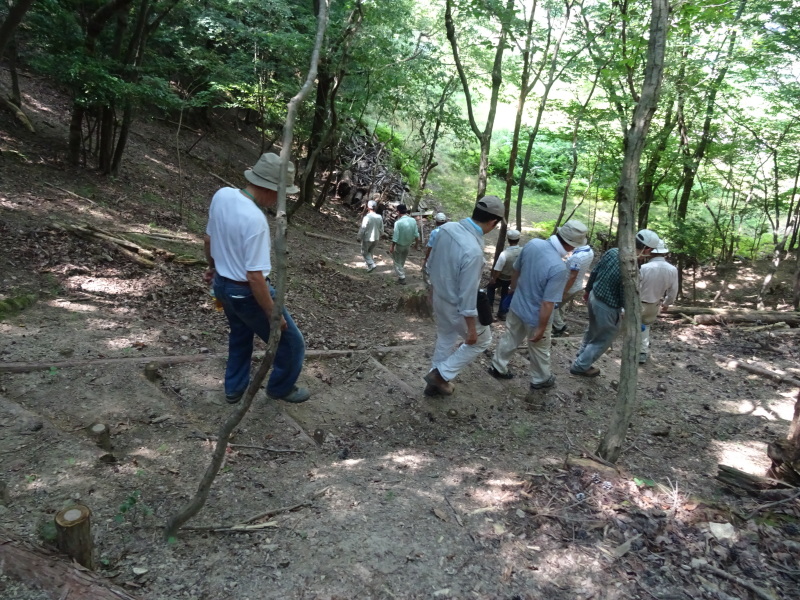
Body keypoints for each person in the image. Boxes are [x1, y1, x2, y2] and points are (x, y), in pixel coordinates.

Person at [204, 152, 310, 404]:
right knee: (293, 343)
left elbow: (208, 238)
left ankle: (234, 388)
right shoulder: (256, 221)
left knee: (240, 334)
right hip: (245, 293)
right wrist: (274, 314)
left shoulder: (222, 195)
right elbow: (255, 278)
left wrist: (212, 266)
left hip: (222, 285)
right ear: (273, 190)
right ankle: (280, 388)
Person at [489, 220, 588, 390]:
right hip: (535, 315)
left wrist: (513, 289)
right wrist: (542, 328)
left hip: (518, 304)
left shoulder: (533, 244)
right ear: (571, 246)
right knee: (540, 348)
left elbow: (517, 269)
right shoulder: (558, 268)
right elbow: (548, 303)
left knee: (510, 336)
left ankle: (498, 366)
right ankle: (540, 378)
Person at [424, 195, 505, 396]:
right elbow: (468, 293)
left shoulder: (446, 229)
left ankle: (433, 385)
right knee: (482, 341)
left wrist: (431, 292)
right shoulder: (473, 251)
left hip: (440, 298)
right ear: (493, 222)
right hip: (456, 306)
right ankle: (441, 375)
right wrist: (471, 328)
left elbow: (430, 263)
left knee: (446, 337)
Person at [570, 229, 660, 378]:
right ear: (648, 249)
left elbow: (595, 271)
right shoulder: (631, 268)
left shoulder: (613, 251)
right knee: (603, 339)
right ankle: (580, 366)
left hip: (594, 297)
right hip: (608, 308)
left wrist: (588, 290)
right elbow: (626, 295)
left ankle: (581, 355)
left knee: (592, 330)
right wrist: (629, 313)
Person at [639, 241, 678, 363]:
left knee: (626, 326)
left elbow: (635, 286)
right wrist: (666, 304)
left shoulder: (644, 268)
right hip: (654, 304)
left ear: (650, 253)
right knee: (645, 327)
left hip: (638, 302)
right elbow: (673, 291)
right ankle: (642, 352)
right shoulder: (672, 270)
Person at [552, 241, 595, 336]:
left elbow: (572, 276)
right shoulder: (589, 251)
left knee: (552, 306)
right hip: (577, 286)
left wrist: (564, 291)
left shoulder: (577, 257)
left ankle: (560, 326)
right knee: (560, 305)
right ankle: (557, 322)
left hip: (569, 286)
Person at [486, 228, 522, 321]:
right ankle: (502, 312)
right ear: (518, 239)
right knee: (505, 294)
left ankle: (489, 310)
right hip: (512, 278)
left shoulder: (504, 254)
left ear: (508, 240)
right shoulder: (522, 251)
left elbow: (498, 269)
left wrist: (493, 279)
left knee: (490, 288)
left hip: (502, 277)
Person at [389, 204, 420, 284]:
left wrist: (392, 246)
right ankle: (401, 273)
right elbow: (416, 234)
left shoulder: (398, 223)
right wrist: (416, 244)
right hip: (408, 245)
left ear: (398, 212)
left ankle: (401, 277)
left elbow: (395, 236)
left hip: (399, 245)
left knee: (396, 261)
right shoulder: (413, 220)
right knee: (402, 260)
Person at [357, 198, 383, 272]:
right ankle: (368, 266)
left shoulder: (367, 217)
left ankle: (371, 264)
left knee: (364, 252)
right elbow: (382, 228)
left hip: (367, 238)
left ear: (368, 207)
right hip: (376, 237)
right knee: (370, 251)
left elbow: (363, 228)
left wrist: (359, 237)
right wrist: (380, 234)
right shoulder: (379, 217)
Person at [422, 212, 448, 286]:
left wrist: (426, 258)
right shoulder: (450, 231)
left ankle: (431, 286)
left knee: (430, 270)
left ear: (436, 222)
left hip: (436, 256)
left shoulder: (435, 232)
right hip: (447, 256)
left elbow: (430, 246)